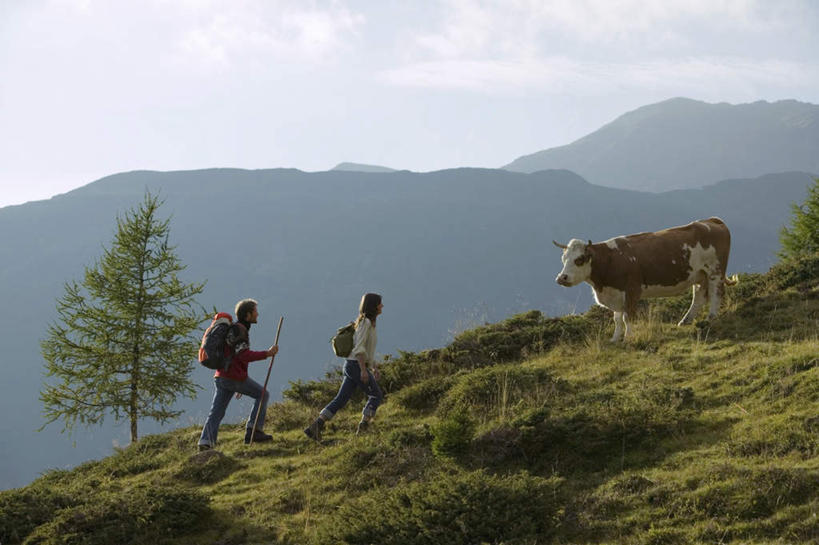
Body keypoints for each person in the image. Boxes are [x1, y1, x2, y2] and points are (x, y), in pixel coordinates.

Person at [198, 298, 278, 451]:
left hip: (221, 376)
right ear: (247, 315)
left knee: (217, 411)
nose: (258, 314)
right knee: (263, 395)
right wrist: (266, 354)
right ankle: (254, 431)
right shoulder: (240, 330)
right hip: (233, 376)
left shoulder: (235, 329)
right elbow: (243, 355)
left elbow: (234, 355)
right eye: (255, 312)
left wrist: (239, 382)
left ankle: (205, 442)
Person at [304, 293, 385, 441]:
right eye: (380, 303)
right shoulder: (365, 323)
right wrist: (363, 370)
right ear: (374, 306)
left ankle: (316, 426)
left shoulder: (370, 323)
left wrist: (373, 367)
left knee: (341, 399)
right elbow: (359, 349)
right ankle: (364, 426)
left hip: (352, 365)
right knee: (376, 395)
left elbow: (368, 349)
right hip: (355, 365)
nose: (382, 306)